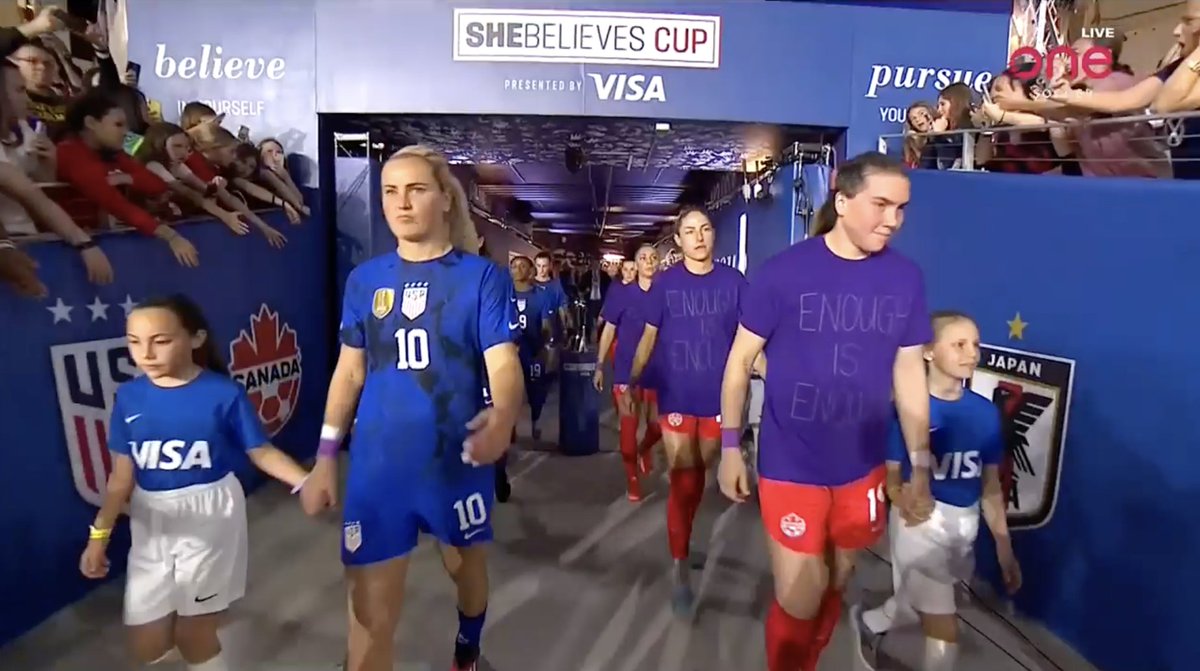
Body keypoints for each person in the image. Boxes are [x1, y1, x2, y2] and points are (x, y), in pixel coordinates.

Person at [302, 144, 523, 671]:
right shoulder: (365, 280)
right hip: (379, 465)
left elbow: (504, 363)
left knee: (463, 568)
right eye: (390, 192)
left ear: (446, 199)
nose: (400, 203)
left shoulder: (481, 278)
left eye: (416, 189)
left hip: (454, 460)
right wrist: (326, 455)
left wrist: (504, 417)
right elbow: (350, 372)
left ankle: (468, 646)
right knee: (369, 618)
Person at [717, 151, 936, 671]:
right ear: (842, 201)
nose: (893, 220)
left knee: (837, 577)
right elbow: (738, 365)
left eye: (902, 209)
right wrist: (730, 448)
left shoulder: (906, 279)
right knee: (800, 593)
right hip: (791, 464)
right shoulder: (783, 274)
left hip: (860, 466)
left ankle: (810, 658)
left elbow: (909, 375)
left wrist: (919, 463)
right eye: (881, 205)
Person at [78, 294, 313, 671]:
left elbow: (261, 451)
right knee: (146, 641)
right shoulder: (130, 396)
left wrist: (305, 481)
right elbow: (120, 477)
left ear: (196, 338)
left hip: (210, 513)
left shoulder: (223, 393)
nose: (146, 354)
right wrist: (98, 536)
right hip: (150, 517)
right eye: (135, 342)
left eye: (161, 340)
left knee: (193, 634)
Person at [854, 311, 1022, 671]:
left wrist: (1004, 548)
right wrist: (905, 500)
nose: (971, 353)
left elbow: (990, 485)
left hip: (964, 525)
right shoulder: (906, 411)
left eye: (975, 345)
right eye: (959, 344)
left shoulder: (985, 414)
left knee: (913, 605)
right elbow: (891, 479)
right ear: (928, 351)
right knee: (943, 628)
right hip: (920, 527)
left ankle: (867, 623)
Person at [626, 207, 748, 615]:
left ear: (714, 235)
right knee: (682, 477)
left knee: (700, 475)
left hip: (718, 398)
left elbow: (749, 344)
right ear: (677, 240)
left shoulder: (734, 283)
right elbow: (648, 338)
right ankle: (680, 564)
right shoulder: (665, 284)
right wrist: (630, 378)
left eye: (706, 229)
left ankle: (685, 533)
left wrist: (780, 374)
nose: (699, 237)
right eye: (690, 231)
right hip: (675, 395)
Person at [593, 244, 662, 501]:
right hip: (624, 371)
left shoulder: (664, 294)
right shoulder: (621, 294)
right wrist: (599, 365)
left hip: (656, 371)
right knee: (628, 429)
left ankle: (645, 448)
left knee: (657, 426)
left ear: (658, 263)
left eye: (653, 258)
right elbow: (609, 330)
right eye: (643, 258)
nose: (648, 262)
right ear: (635, 263)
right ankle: (632, 477)